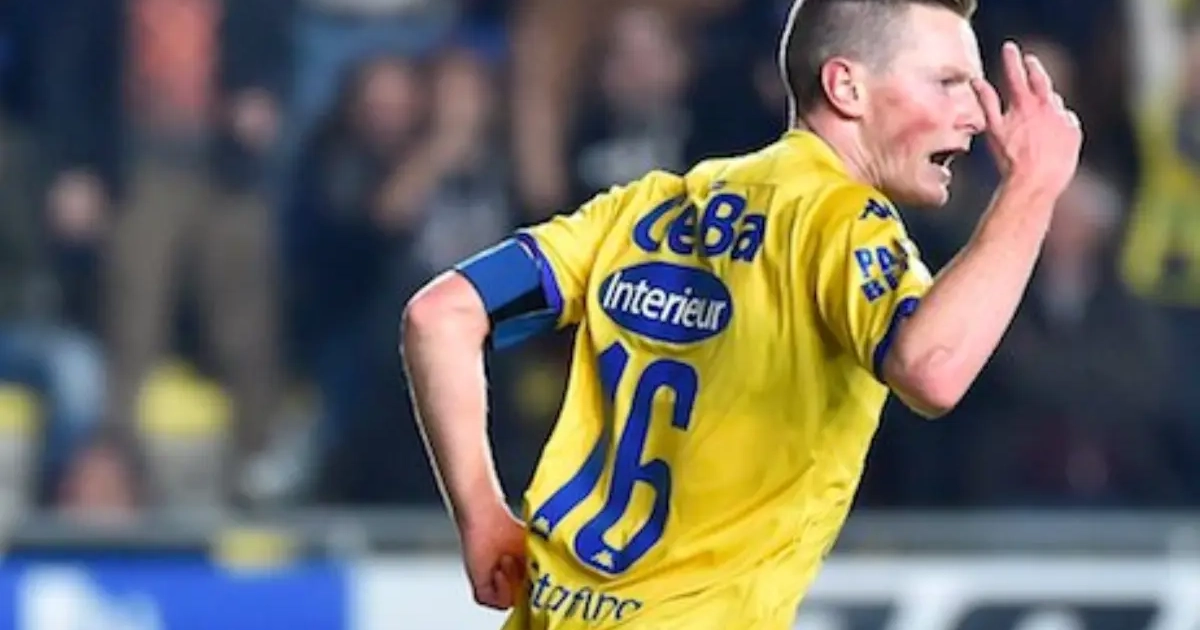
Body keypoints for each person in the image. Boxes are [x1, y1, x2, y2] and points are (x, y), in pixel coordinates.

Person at [400, 0, 1082, 627]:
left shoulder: (646, 206)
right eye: (948, 83)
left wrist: (482, 515)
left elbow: (440, 314)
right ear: (846, 87)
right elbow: (932, 368)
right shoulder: (841, 222)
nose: (975, 115)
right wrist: (1033, 187)